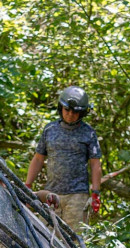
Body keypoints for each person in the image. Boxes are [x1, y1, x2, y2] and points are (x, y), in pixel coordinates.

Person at [25, 86, 102, 233]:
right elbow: (38, 159)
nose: (71, 114)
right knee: (44, 237)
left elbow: (95, 164)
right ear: (61, 108)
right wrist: (28, 185)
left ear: (82, 113)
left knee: (74, 242)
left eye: (75, 112)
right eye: (67, 110)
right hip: (51, 195)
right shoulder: (50, 129)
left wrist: (95, 193)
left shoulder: (88, 133)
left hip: (77, 196)